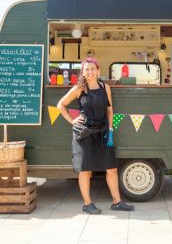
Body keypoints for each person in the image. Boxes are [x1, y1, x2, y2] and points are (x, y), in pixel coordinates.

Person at [57, 57, 135, 214]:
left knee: (111, 169)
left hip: (103, 132)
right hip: (84, 133)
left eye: (92, 68)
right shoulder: (79, 88)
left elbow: (109, 109)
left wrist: (111, 130)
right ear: (83, 72)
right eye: (87, 69)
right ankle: (87, 204)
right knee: (85, 170)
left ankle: (117, 202)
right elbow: (61, 105)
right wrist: (72, 121)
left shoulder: (105, 87)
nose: (90, 72)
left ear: (98, 70)